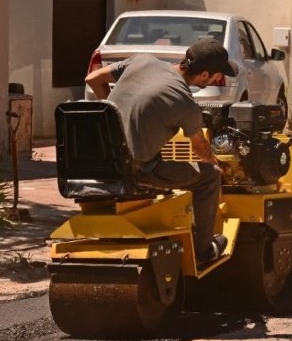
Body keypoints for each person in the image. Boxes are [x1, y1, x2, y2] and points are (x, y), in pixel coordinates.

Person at [85, 38, 236, 267]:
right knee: (209, 177)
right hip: (136, 172)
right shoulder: (184, 103)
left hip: (99, 164)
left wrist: (113, 116)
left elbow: (93, 78)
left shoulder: (142, 61)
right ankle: (204, 250)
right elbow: (200, 148)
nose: (218, 79)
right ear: (204, 75)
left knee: (157, 156)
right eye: (217, 75)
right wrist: (219, 166)